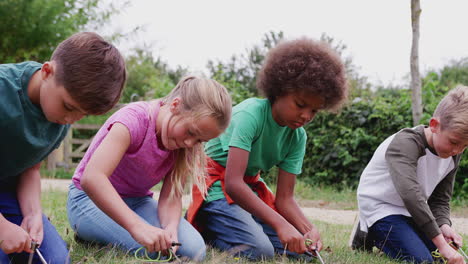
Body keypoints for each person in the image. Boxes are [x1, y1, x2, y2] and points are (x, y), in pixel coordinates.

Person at [186, 38, 348, 260]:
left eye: (314, 111)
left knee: (303, 251)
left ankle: (242, 227)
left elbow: (285, 199)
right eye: (300, 105)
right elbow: (233, 184)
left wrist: (307, 229)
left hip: (248, 191)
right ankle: (209, 229)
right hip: (217, 190)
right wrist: (281, 224)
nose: (306, 116)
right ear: (279, 90)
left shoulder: (297, 137)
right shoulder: (250, 115)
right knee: (260, 251)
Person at [67, 76, 232, 261]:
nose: (189, 143)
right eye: (191, 132)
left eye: (199, 140)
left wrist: (170, 228)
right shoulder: (134, 120)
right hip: (87, 200)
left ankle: (109, 232)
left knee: (193, 250)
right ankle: (90, 234)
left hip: (136, 201)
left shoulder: (186, 146)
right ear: (176, 105)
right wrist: (138, 227)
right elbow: (92, 178)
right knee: (152, 249)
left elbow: (172, 197)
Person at [0, 32, 126, 263]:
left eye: (83, 114)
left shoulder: (60, 117)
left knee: (56, 259)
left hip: (7, 194)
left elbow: (31, 168)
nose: (72, 119)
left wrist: (32, 213)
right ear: (47, 71)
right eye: (68, 106)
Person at [352, 85, 468, 264]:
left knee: (439, 259)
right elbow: (411, 196)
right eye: (454, 142)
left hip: (412, 213)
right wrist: (442, 245)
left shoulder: (454, 153)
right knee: (422, 260)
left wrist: (444, 226)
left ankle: (391, 234)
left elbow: (440, 199)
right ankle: (367, 230)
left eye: (464, 146)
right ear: (434, 125)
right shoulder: (405, 143)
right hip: (381, 207)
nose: (457, 150)